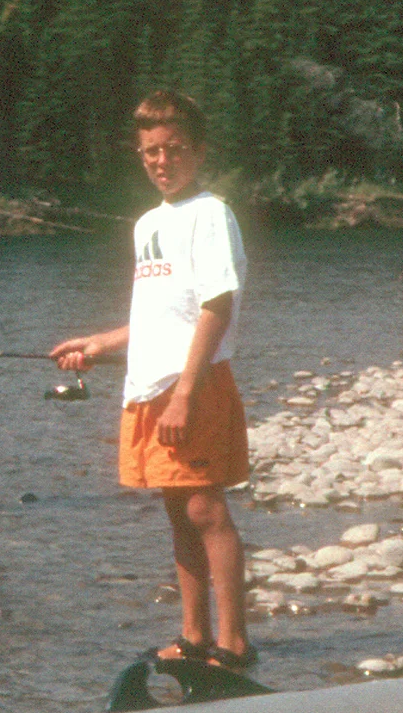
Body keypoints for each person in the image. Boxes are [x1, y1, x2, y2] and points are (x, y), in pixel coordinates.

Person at [53, 89, 255, 671]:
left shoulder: (211, 213)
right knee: (176, 511)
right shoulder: (147, 224)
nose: (161, 161)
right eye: (150, 153)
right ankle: (194, 635)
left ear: (198, 150)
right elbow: (157, 315)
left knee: (206, 511)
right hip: (149, 388)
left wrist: (186, 394)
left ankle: (235, 643)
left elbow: (215, 307)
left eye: (173, 149)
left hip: (191, 386)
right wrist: (99, 343)